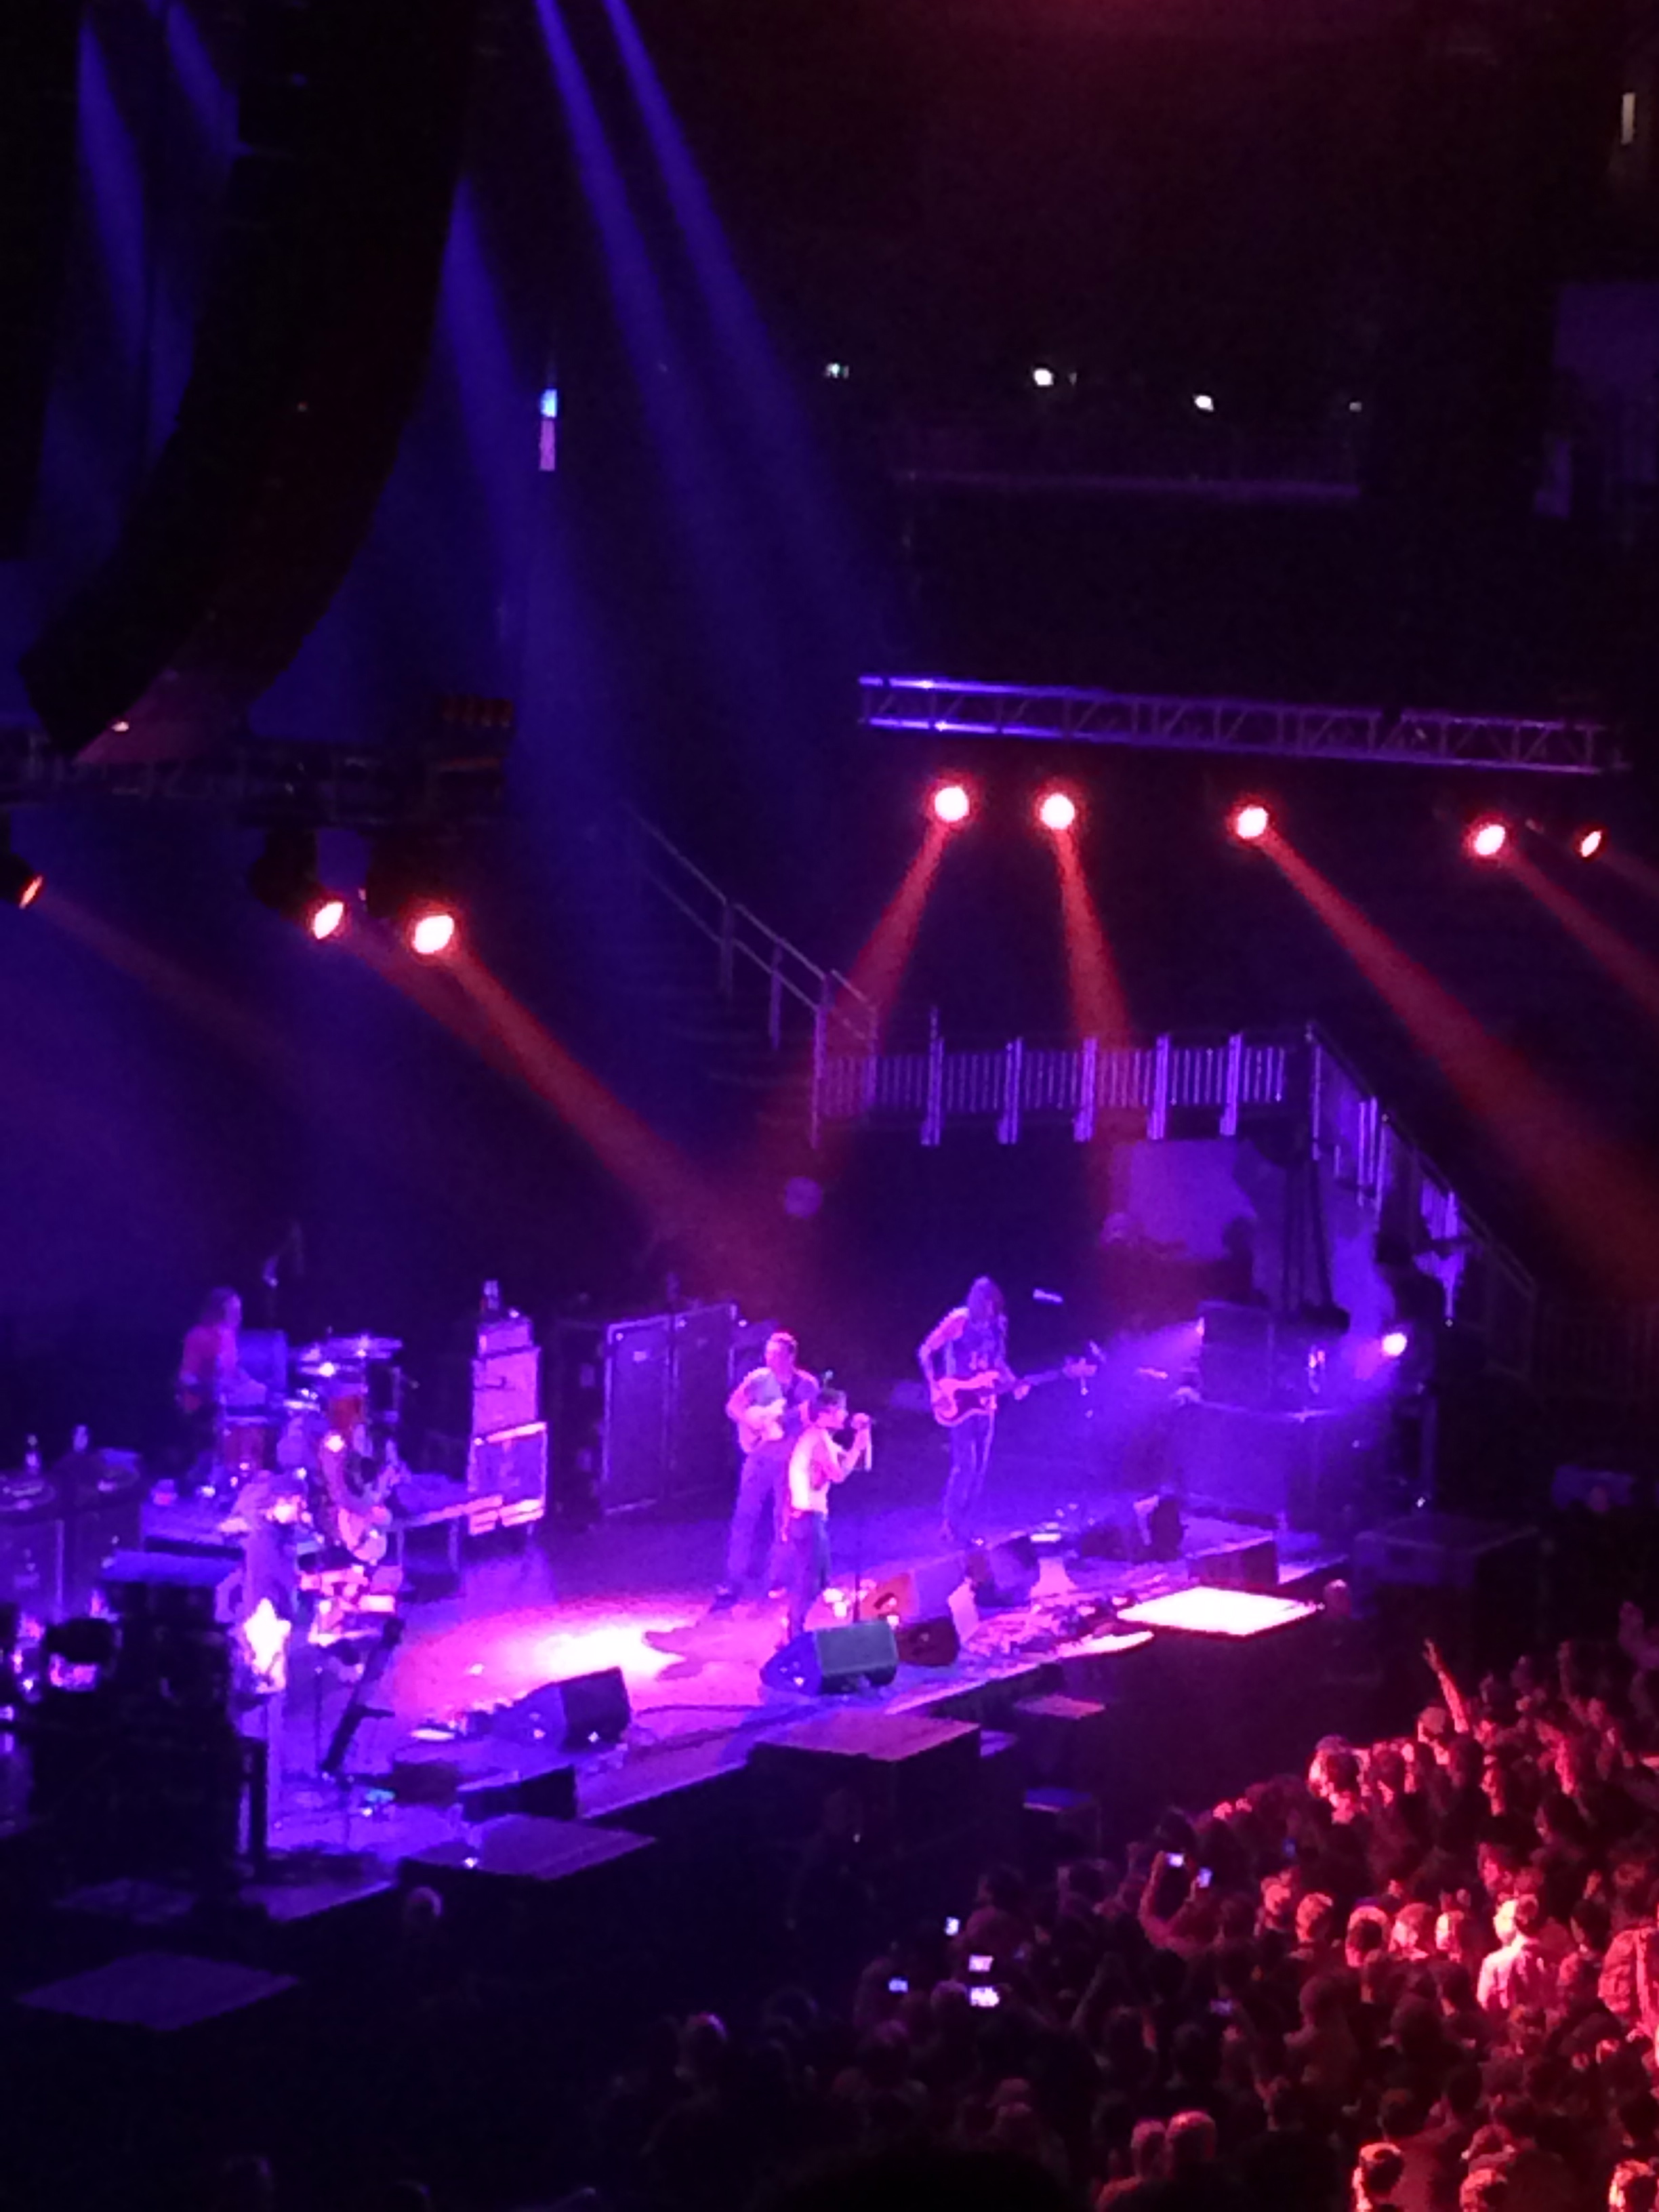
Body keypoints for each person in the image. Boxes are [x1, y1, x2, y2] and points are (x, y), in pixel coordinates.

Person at [716, 1331, 819, 1607]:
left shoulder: (806, 1386)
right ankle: (734, 1579)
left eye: (776, 1354)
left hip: (789, 1462)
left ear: (791, 1357)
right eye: (768, 1353)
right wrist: (752, 1421)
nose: (770, 1358)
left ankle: (777, 1579)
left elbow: (811, 1421)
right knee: (745, 1517)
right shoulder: (758, 1379)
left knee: (783, 1521)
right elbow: (733, 1407)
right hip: (758, 1458)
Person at [918, 1277, 1024, 1547]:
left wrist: (1014, 1382)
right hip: (959, 1400)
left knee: (980, 1469)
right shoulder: (959, 1320)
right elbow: (926, 1351)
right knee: (966, 1464)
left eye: (992, 1304)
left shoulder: (998, 1326)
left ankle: (964, 1525)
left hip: (986, 1402)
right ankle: (951, 1524)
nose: (989, 1309)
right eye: (984, 1303)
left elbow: (997, 1362)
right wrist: (935, 1388)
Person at [778, 1388, 871, 1645]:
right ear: (828, 1412)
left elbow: (862, 1465)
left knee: (818, 1579)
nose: (845, 1415)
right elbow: (839, 1474)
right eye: (842, 1409)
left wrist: (864, 1435)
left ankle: (792, 1629)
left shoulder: (822, 1440)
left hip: (808, 1518)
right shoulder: (816, 1438)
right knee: (810, 1581)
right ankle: (793, 1635)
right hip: (808, 1519)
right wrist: (857, 1447)